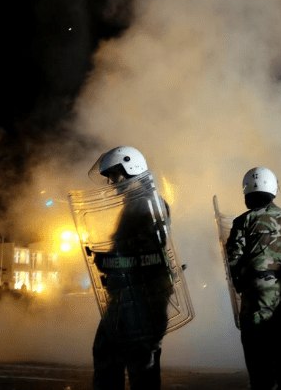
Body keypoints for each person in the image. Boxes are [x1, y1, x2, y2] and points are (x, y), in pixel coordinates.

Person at [87, 146, 175, 390]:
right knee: (107, 355)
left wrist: (111, 262)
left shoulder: (148, 205)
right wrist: (111, 258)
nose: (111, 183)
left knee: (140, 370)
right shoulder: (135, 205)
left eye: (114, 176)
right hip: (127, 299)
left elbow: (147, 257)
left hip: (142, 302)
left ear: (131, 169)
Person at [225, 167, 281, 390]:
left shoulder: (243, 221)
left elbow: (233, 260)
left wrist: (242, 285)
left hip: (256, 298)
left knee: (256, 352)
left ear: (247, 192)